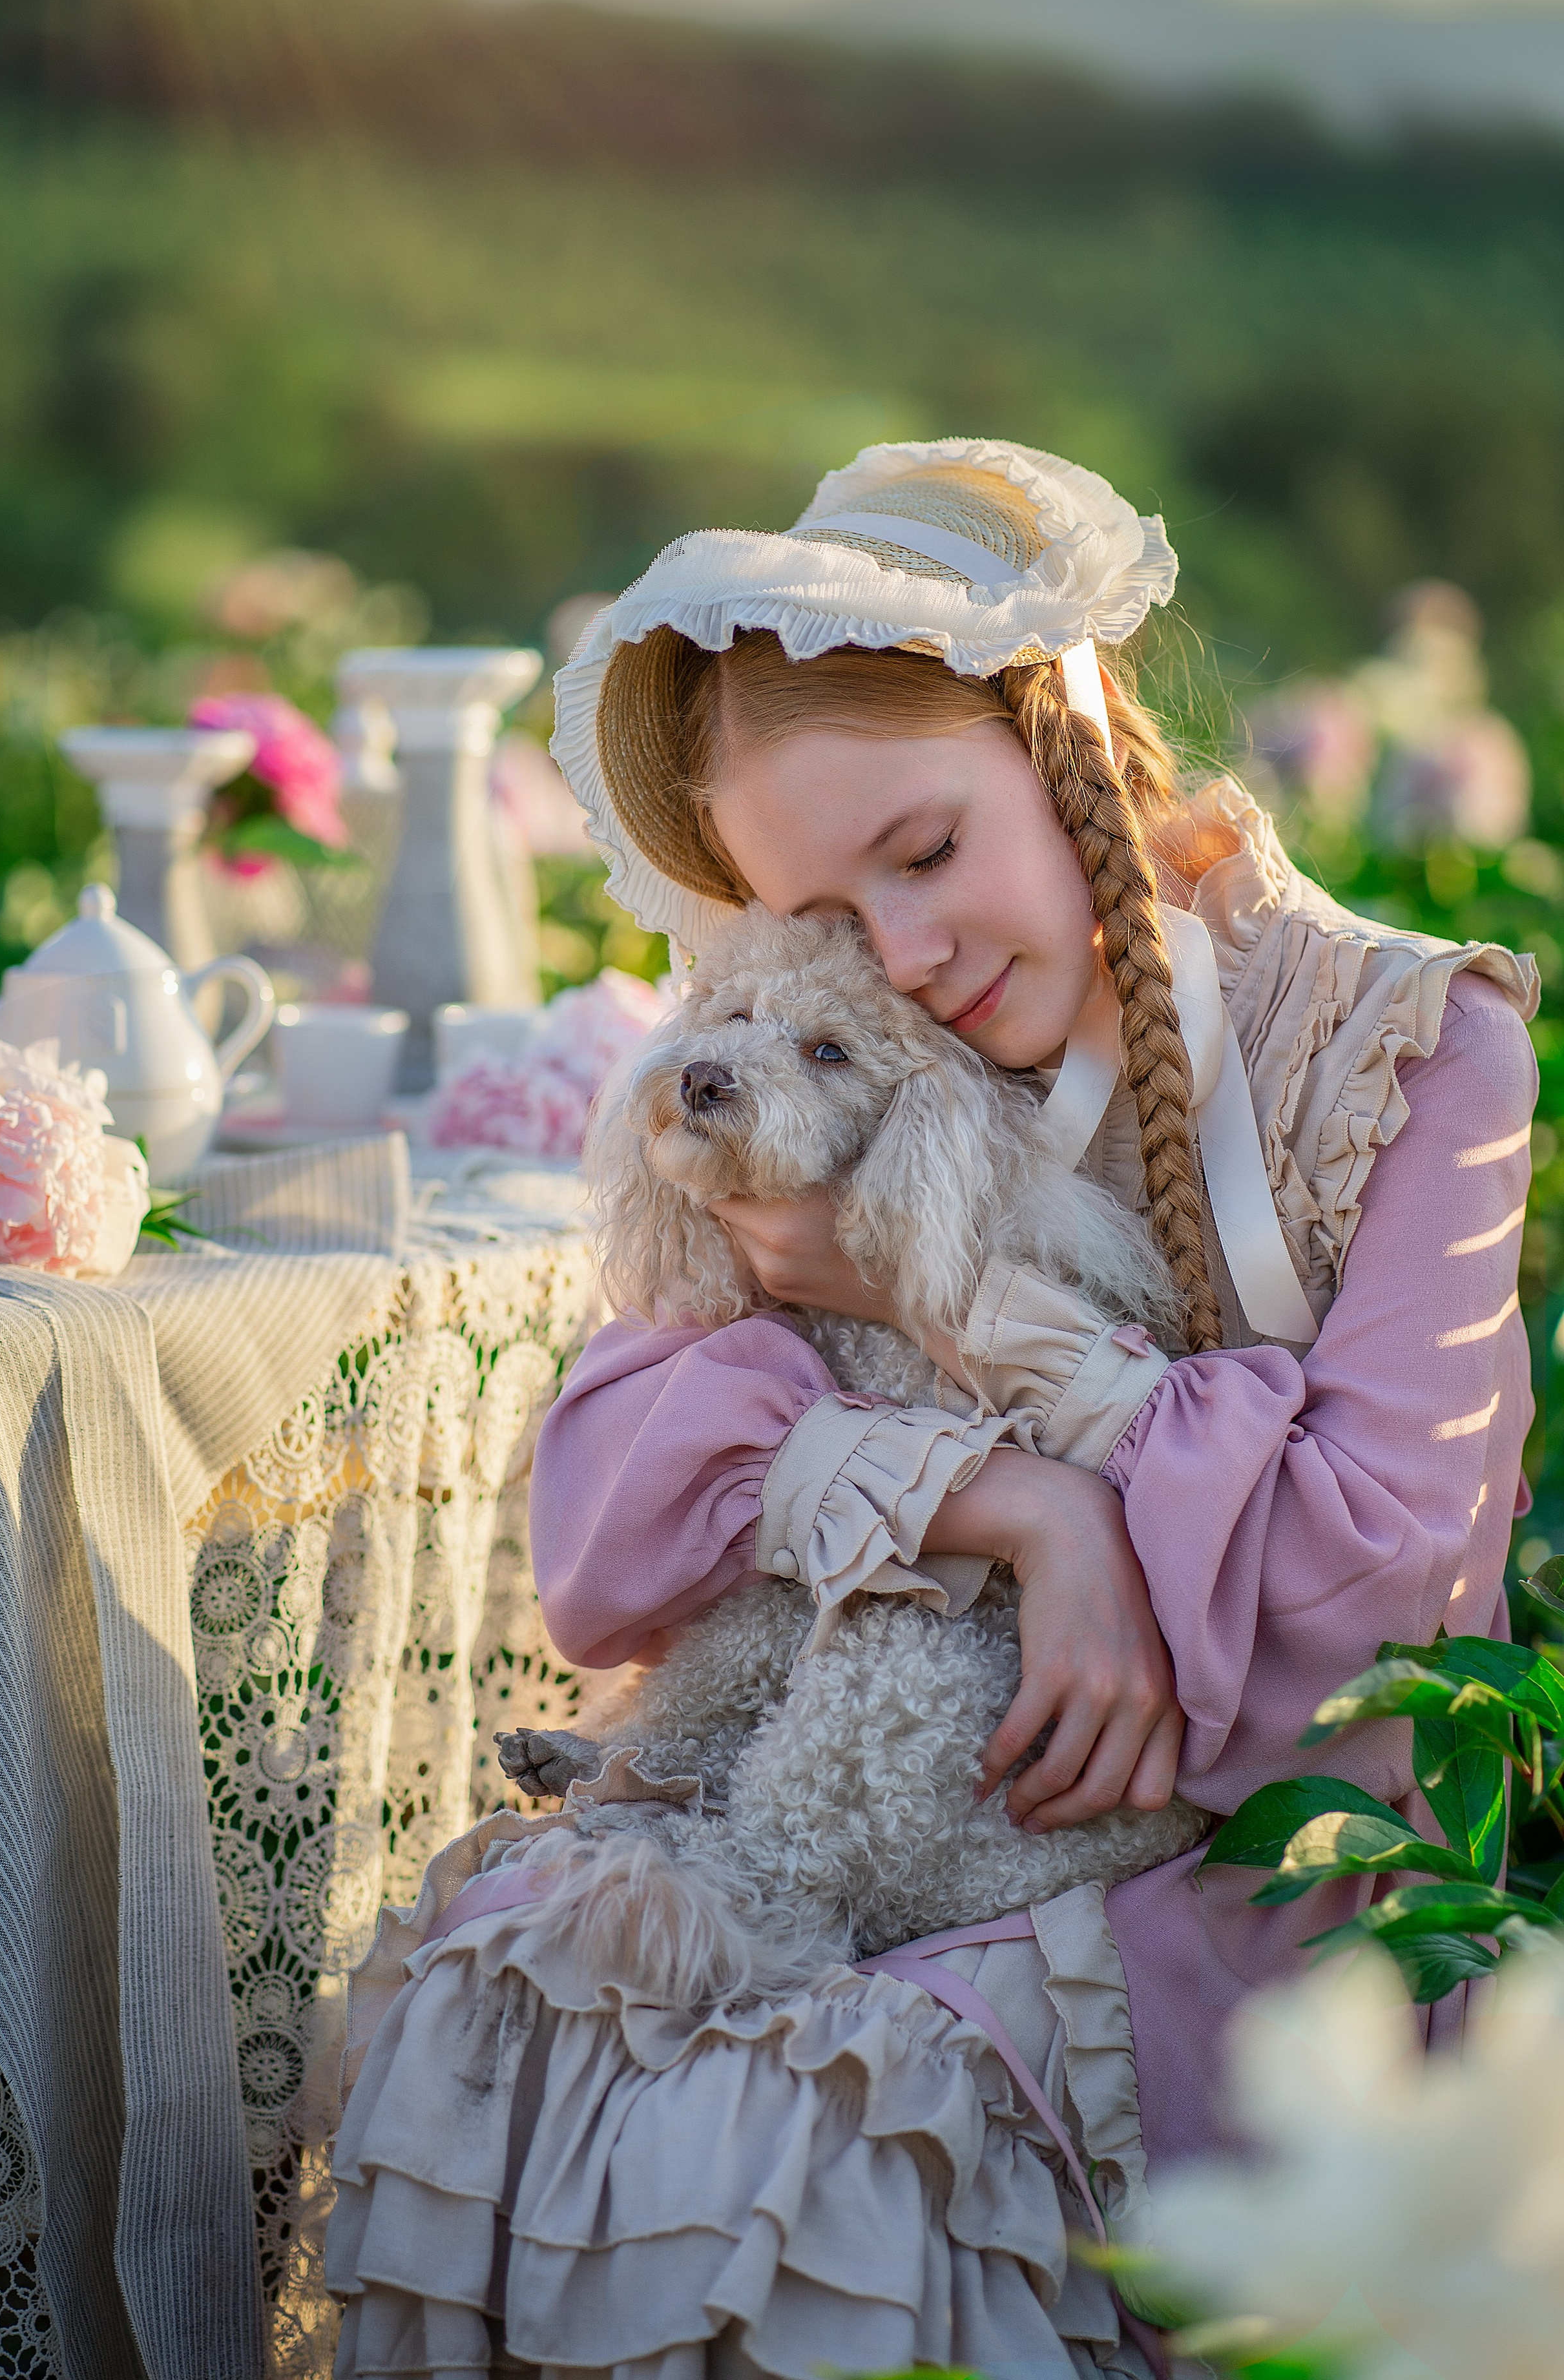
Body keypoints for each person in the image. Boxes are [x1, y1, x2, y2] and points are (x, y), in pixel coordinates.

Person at [326, 442, 1538, 2379]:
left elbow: (1372, 1594)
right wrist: (1014, 1510)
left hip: (1223, 1865)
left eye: (927, 850)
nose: (907, 955)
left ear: (1066, 747)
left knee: (789, 2133)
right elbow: (615, 1505)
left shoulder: (1403, 1051)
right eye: (821, 903)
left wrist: (942, 1306)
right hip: (842, 1777)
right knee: (504, 1986)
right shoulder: (841, 1035)